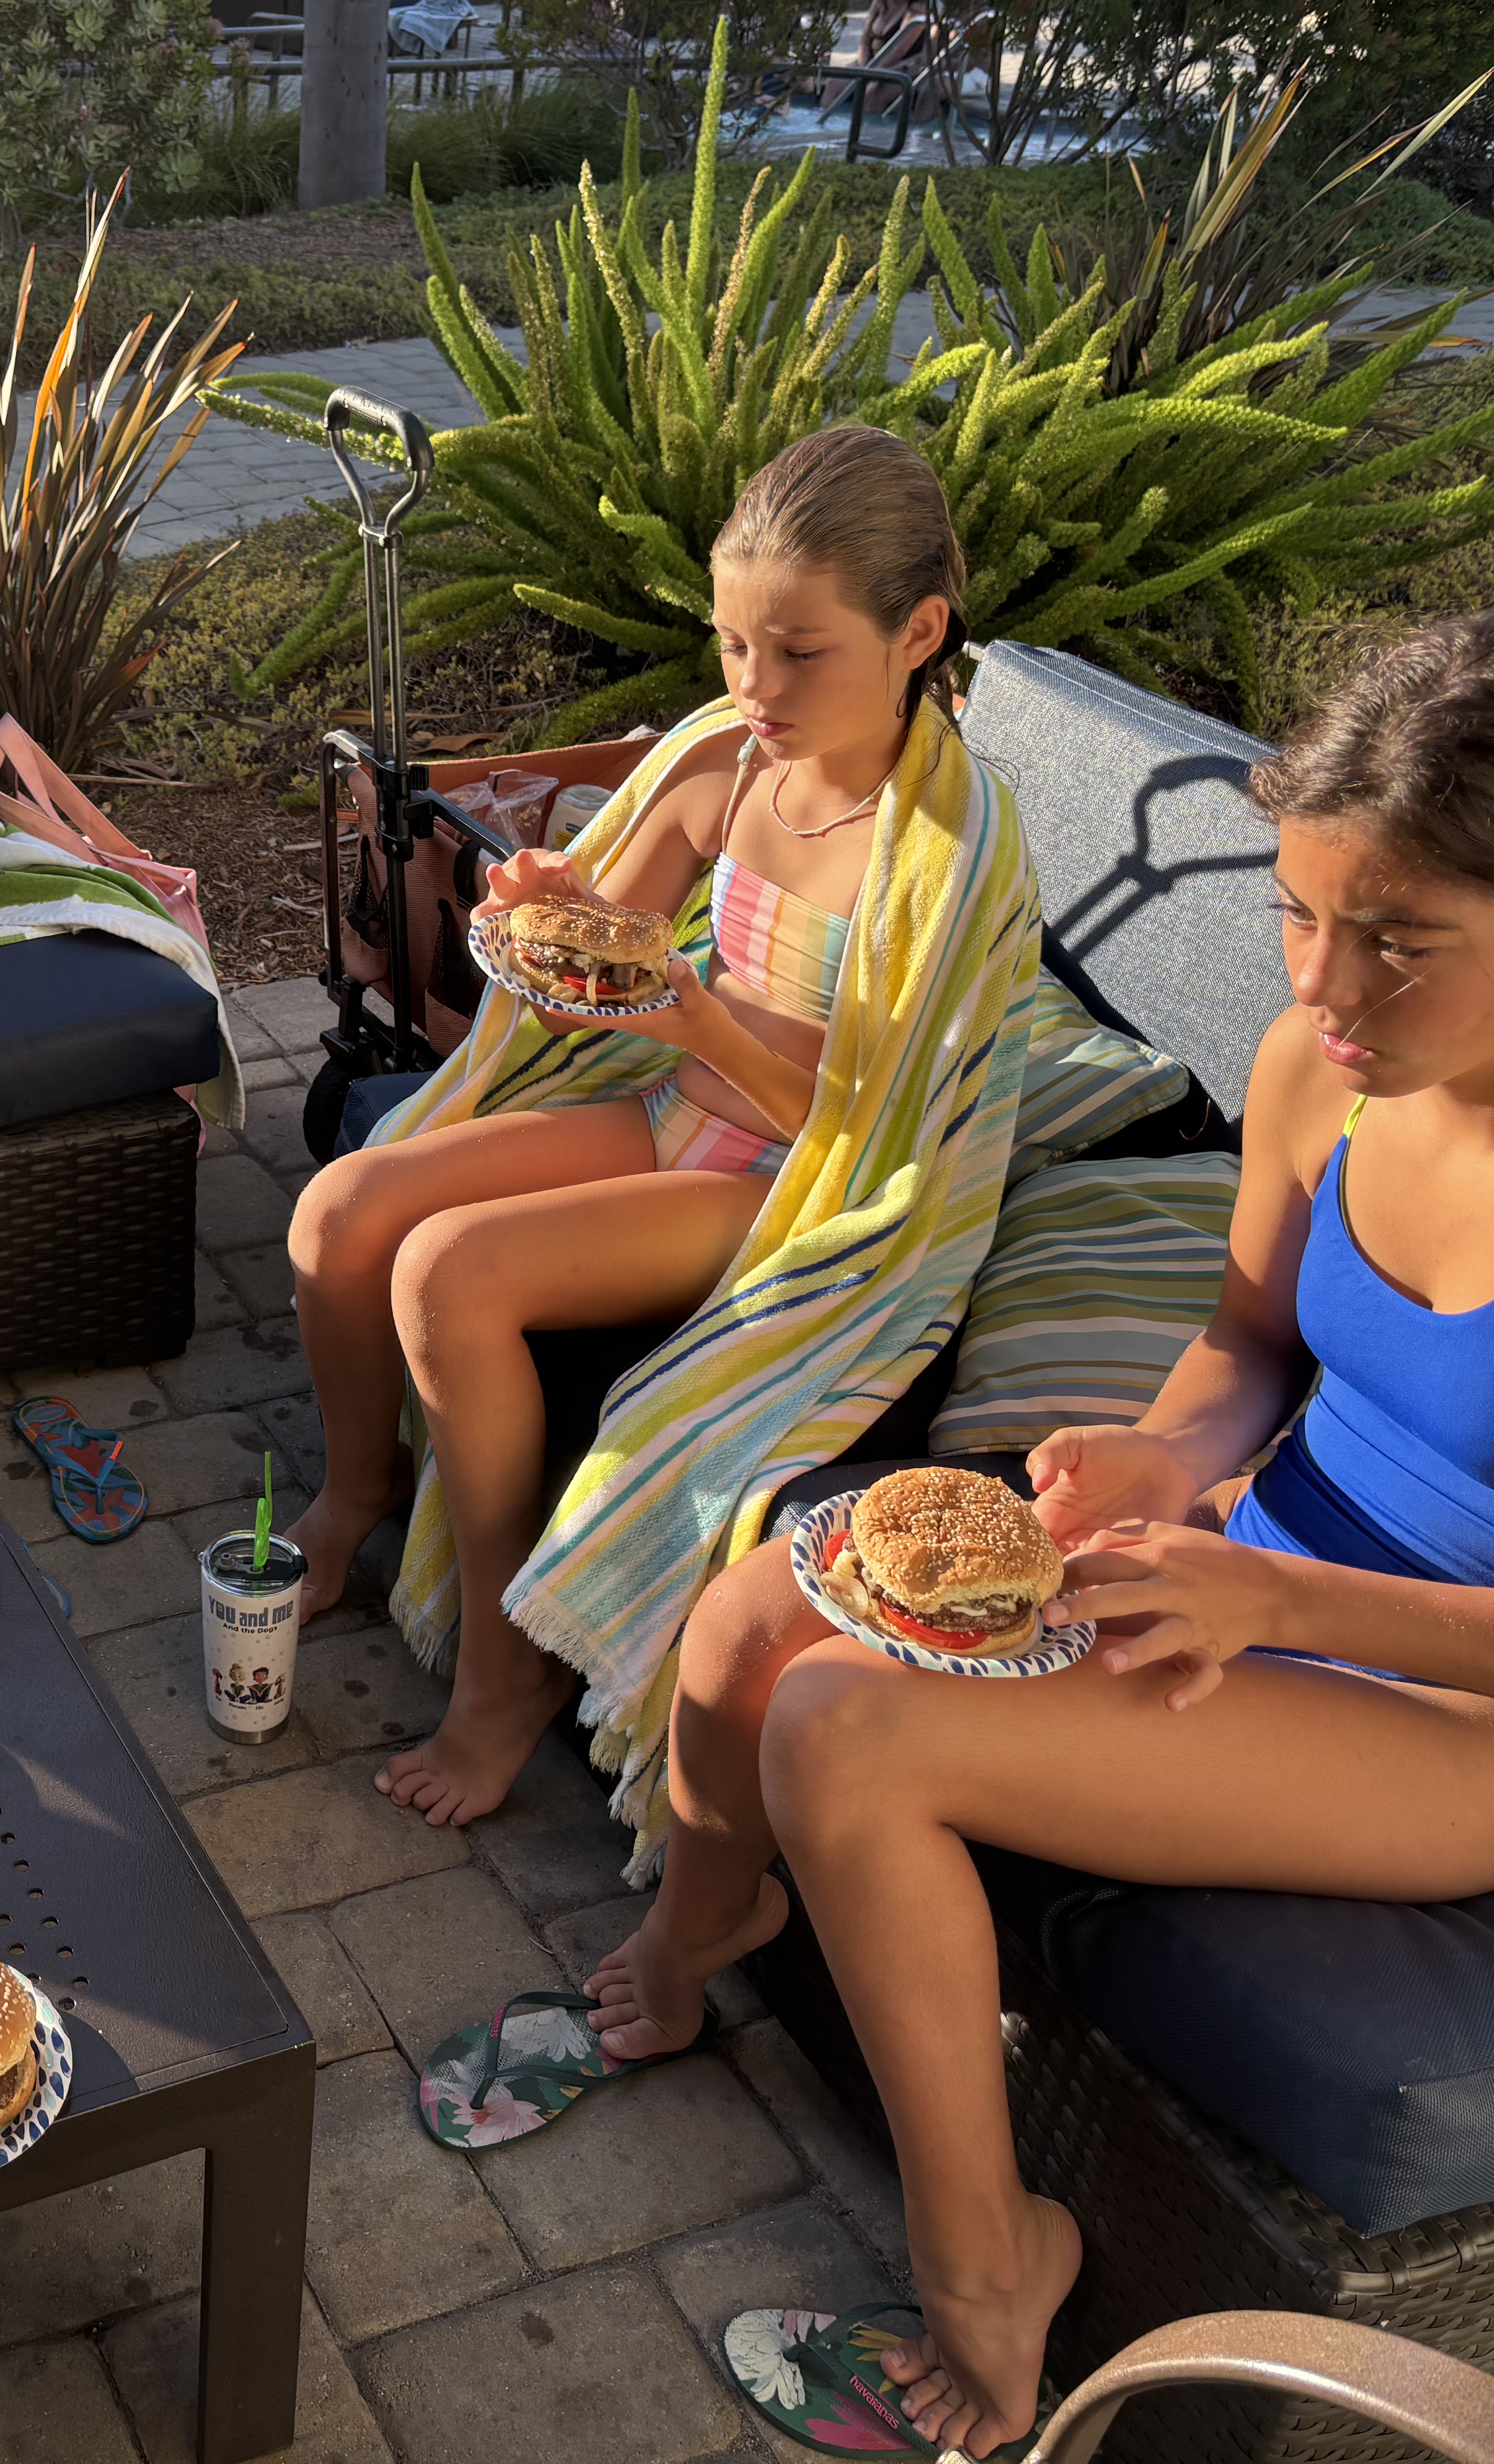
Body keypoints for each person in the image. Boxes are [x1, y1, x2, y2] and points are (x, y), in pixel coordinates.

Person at [582, 609, 1494, 2458]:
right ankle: (701, 1925)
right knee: (750, 1618)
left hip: (1474, 1723)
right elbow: (1247, 1347)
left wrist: (1264, 1577)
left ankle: (995, 2271)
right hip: (1244, 1573)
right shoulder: (1319, 1070)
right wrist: (1152, 1456)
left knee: (840, 1725)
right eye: (1300, 914)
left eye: (1398, 942)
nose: (1327, 986)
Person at [278, 424, 970, 1827]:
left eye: (798, 654)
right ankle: (358, 1492)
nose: (754, 688)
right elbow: (614, 925)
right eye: (732, 647)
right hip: (674, 1103)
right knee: (340, 1213)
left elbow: (868, 1117)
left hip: (796, 1176)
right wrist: (540, 898)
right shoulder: (732, 759)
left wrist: (698, 1018)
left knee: (447, 1271)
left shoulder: (937, 845)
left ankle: (505, 1671)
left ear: (918, 634)